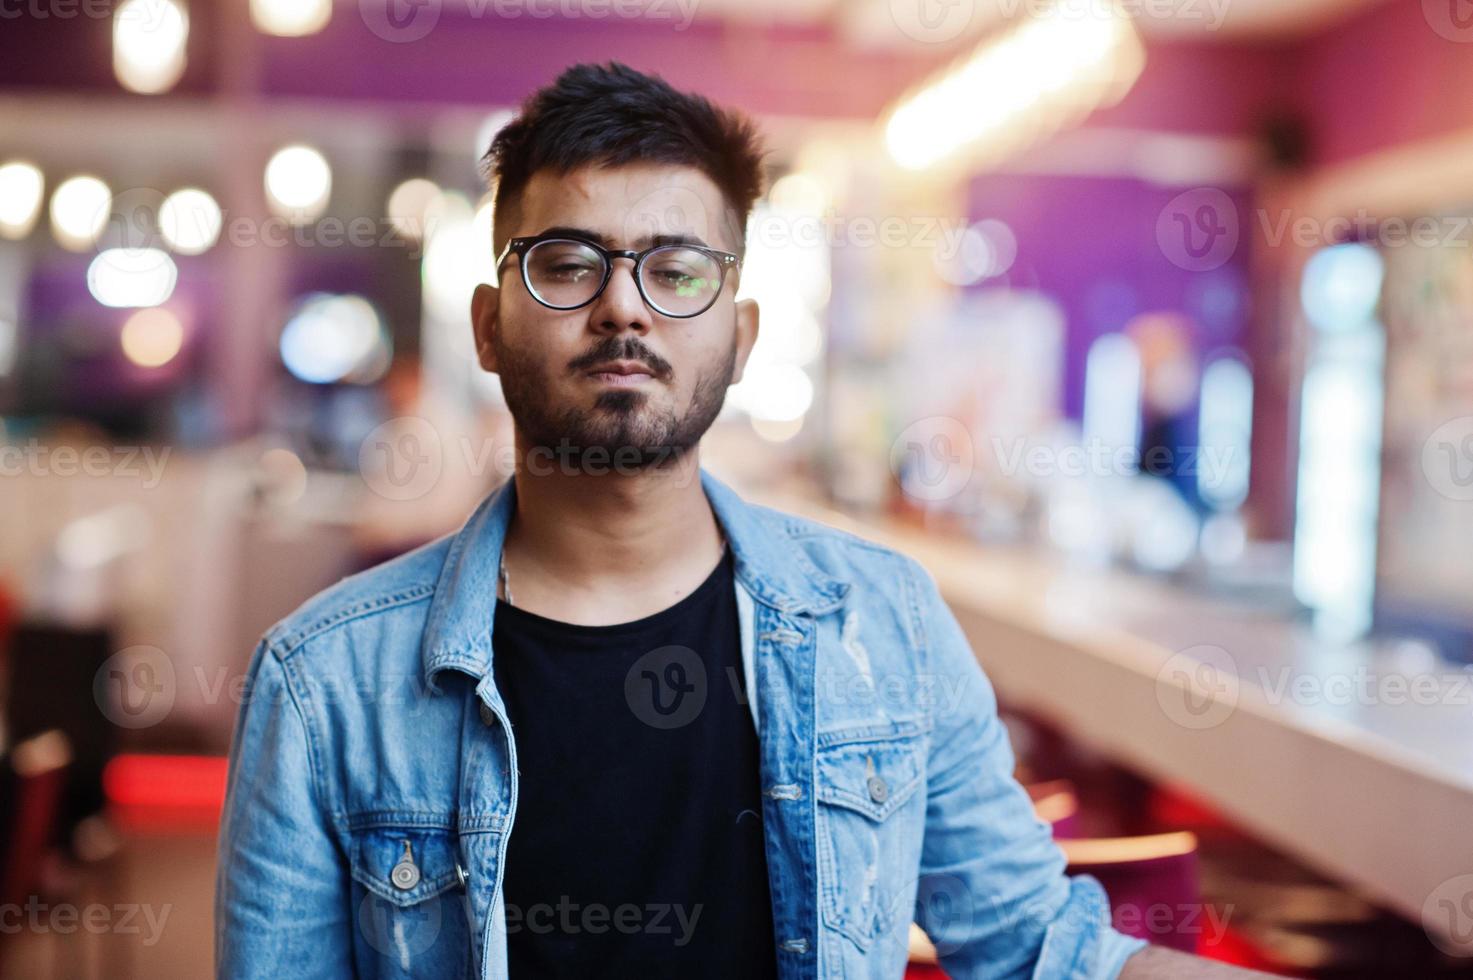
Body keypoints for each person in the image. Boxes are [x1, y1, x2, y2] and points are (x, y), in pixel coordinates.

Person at [216, 61, 1273, 979]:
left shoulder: (884, 625)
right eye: (569, 263)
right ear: (490, 325)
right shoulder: (325, 685)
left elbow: (1045, 949)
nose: (623, 306)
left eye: (676, 270)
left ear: (742, 333)